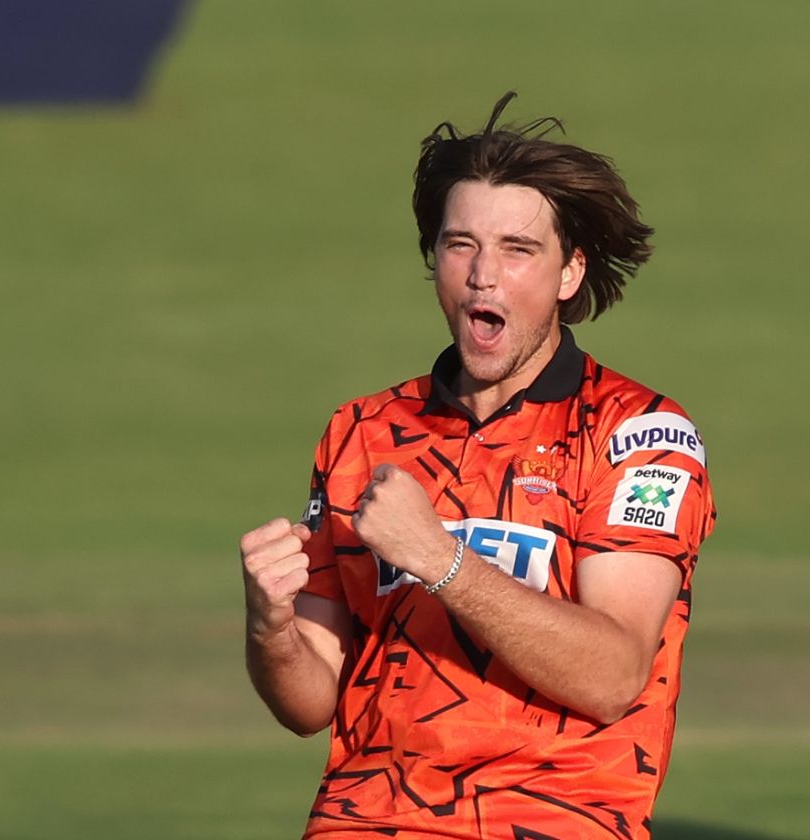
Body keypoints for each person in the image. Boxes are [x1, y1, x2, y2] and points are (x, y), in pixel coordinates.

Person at [241, 92, 717, 839]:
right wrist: (271, 630)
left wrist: (437, 556)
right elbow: (309, 705)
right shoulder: (362, 430)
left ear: (569, 273)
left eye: (517, 250)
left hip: (551, 820)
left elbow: (613, 675)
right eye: (460, 244)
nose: (482, 276)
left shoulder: (639, 433)